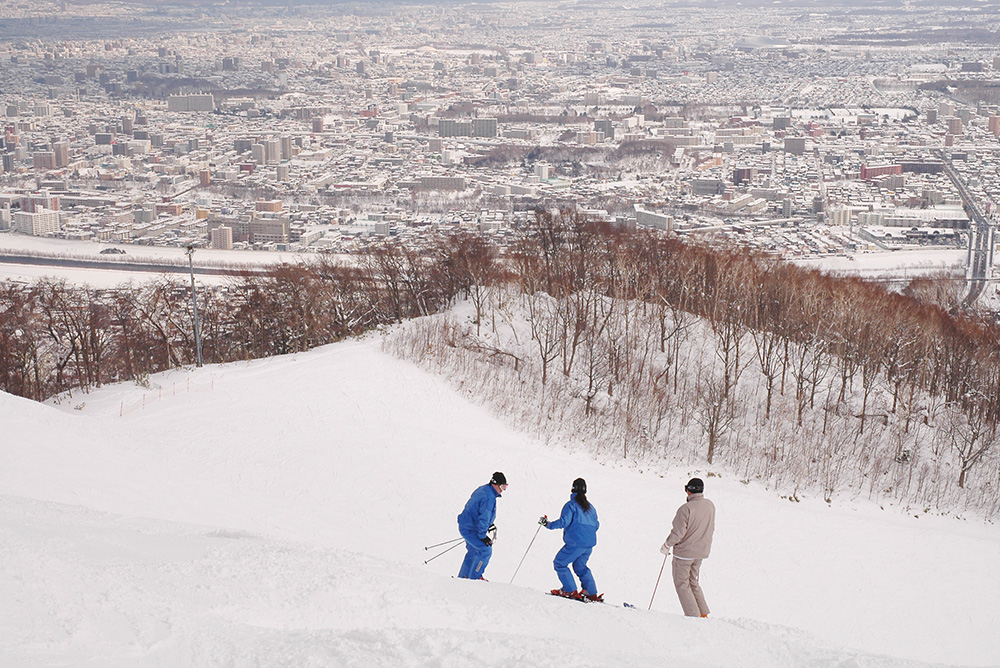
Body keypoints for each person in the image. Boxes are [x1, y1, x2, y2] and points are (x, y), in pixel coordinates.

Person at [660, 477, 716, 617]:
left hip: (684, 553)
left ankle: (694, 617)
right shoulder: (710, 505)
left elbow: (678, 532)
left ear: (689, 490)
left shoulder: (686, 509)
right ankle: (703, 614)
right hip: (701, 551)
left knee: (682, 584)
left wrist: (667, 544)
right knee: (693, 582)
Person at [539, 477, 602, 601]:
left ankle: (569, 590)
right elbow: (596, 525)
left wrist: (548, 524)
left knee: (560, 563)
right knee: (580, 566)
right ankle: (591, 592)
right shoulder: (591, 508)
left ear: (572, 490)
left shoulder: (571, 505)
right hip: (589, 545)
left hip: (576, 543)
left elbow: (564, 521)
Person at [456, 471, 506, 580]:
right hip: (470, 528)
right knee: (485, 550)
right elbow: (484, 517)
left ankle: (463, 577)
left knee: (474, 551)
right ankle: (475, 577)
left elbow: (479, 513)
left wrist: (488, 524)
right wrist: (483, 536)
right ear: (495, 484)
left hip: (468, 525)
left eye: (505, 486)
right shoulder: (489, 497)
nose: (503, 490)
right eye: (502, 486)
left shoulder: (485, 490)